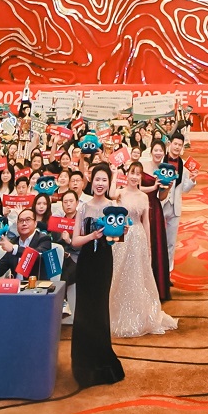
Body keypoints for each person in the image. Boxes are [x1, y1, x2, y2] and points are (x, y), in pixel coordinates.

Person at [109, 160, 177, 337]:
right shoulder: (120, 193)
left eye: (138, 174)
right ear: (127, 174)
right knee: (119, 272)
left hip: (137, 236)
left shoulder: (144, 197)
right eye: (132, 173)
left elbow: (146, 222)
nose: (134, 177)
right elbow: (110, 193)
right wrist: (115, 174)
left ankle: (139, 313)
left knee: (137, 274)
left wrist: (148, 245)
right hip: (122, 235)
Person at [71, 164, 124, 388]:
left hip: (103, 262)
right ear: (91, 181)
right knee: (84, 310)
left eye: (104, 180)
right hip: (86, 262)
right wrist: (92, 236)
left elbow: (117, 239)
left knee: (100, 309)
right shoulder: (83, 207)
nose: (100, 183)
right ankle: (83, 364)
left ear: (109, 183)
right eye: (97, 179)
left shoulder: (114, 207)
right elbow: (75, 240)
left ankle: (102, 361)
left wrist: (121, 232)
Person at [140, 139, 172, 302]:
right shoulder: (142, 166)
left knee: (157, 245)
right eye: (156, 150)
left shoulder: (164, 170)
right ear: (151, 151)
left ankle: (159, 289)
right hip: (141, 207)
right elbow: (136, 187)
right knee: (142, 244)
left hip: (155, 208)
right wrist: (152, 187)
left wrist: (168, 188)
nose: (158, 153)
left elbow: (161, 196)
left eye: (161, 151)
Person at [160, 131, 197, 270]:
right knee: (157, 240)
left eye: (179, 145)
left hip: (175, 207)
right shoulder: (160, 161)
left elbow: (185, 189)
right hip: (160, 203)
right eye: (175, 144)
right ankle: (156, 270)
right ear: (170, 144)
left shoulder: (184, 165)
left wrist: (192, 180)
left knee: (171, 242)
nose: (177, 147)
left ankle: (168, 270)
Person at [0, 208, 52, 279]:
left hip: (37, 284)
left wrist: (14, 249)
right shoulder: (14, 242)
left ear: (35, 224)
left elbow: (38, 256)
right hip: (17, 285)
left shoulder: (44, 239)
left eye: (28, 220)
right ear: (17, 225)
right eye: (21, 221)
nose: (24, 223)